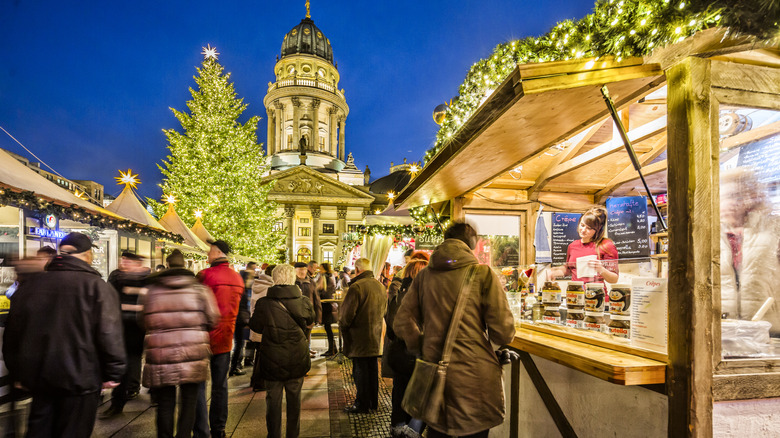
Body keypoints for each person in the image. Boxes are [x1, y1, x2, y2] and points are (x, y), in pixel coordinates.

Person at [394, 222, 516, 438]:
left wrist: (421, 345)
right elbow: (503, 333)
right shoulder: (482, 274)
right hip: (474, 380)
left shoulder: (424, 277)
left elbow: (402, 321)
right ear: (472, 245)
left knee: (438, 431)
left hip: (434, 374)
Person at [3, 232, 126, 437]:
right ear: (87, 255)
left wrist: (17, 371)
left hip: (41, 378)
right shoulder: (97, 287)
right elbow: (109, 332)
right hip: (81, 378)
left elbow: (14, 331)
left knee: (40, 430)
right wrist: (114, 372)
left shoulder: (33, 285)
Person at [140, 249, 220, 438]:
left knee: (165, 403)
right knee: (189, 401)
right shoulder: (200, 289)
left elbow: (142, 320)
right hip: (192, 353)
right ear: (184, 265)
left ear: (167, 265)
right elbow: (213, 318)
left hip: (161, 353)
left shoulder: (152, 290)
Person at [249, 264, 315, 438]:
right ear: (292, 278)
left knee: (273, 401)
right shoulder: (303, 301)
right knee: (294, 401)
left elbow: (256, 327)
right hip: (297, 356)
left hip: (272, 357)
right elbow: (311, 319)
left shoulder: (264, 303)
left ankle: (274, 435)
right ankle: (293, 434)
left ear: (274, 279)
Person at [193, 240, 244, 438]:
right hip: (225, 337)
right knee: (220, 385)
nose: (207, 254)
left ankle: (200, 430)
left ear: (217, 252)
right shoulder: (237, 278)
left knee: (198, 385)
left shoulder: (205, 275)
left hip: (203, 337)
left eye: (210, 251)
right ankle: (219, 428)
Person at [720, 167, 780, 331]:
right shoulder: (711, 236)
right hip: (725, 330)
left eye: (736, 196)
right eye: (725, 197)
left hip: (769, 328)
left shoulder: (773, 229)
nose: (730, 203)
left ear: (749, 198)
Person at [101, 250, 151, 418]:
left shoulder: (146, 279)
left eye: (128, 261)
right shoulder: (117, 277)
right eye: (123, 261)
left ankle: (131, 390)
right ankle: (118, 401)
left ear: (137, 263)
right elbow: (109, 300)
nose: (124, 264)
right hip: (119, 327)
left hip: (137, 329)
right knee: (124, 363)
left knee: (133, 360)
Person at [385, 252, 429, 438]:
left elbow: (391, 322)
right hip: (415, 351)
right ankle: (412, 429)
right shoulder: (420, 294)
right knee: (421, 391)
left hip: (399, 351)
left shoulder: (399, 291)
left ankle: (398, 424)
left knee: (400, 389)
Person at [339, 258, 387, 414]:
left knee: (360, 372)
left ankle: (362, 404)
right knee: (372, 371)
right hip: (375, 334)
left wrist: (344, 328)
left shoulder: (357, 287)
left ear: (357, 269)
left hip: (359, 336)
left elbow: (346, 316)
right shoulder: (380, 285)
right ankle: (373, 402)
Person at [548, 207, 619, 284]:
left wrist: (601, 269)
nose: (583, 230)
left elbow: (614, 279)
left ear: (598, 230)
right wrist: (554, 273)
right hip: (575, 292)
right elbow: (568, 269)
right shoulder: (572, 246)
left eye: (589, 228)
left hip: (596, 293)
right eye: (582, 225)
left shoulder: (606, 245)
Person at [249, 264, 275, 392]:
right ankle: (259, 383)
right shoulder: (269, 289)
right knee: (262, 356)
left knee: (258, 354)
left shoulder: (258, 285)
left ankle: (254, 380)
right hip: (264, 326)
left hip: (256, 325)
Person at [230, 262, 256, 376]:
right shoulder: (242, 288)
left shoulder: (244, 286)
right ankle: (236, 366)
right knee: (239, 343)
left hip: (242, 317)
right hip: (241, 319)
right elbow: (242, 305)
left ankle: (245, 361)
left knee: (244, 342)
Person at [294, 262, 321, 357]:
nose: (302, 272)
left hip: (308, 314)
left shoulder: (311, 282)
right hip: (295, 314)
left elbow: (317, 300)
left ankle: (306, 352)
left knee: (307, 335)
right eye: (300, 270)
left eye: (304, 270)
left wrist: (318, 317)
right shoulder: (292, 282)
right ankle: (300, 354)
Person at [317, 262, 338, 357]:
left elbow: (320, 287)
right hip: (330, 303)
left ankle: (332, 349)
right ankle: (333, 348)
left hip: (325, 304)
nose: (319, 269)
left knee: (327, 327)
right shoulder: (331, 276)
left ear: (324, 268)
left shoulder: (324, 276)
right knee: (328, 327)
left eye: (320, 267)